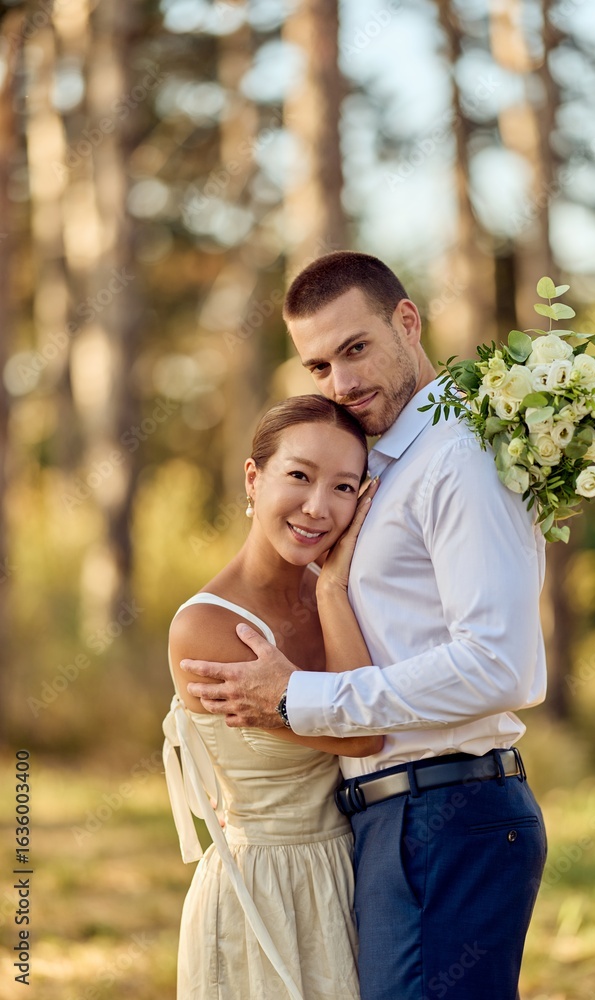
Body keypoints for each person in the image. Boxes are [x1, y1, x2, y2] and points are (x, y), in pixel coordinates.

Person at [184, 251, 549, 1000]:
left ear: (406, 322)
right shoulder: (382, 464)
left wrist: (301, 698)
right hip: (396, 820)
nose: (341, 383)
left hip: (446, 811)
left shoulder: (458, 457)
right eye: (318, 366)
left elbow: (499, 664)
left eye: (355, 349)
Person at [162, 393, 383, 1000]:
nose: (318, 507)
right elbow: (363, 731)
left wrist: (331, 588)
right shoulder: (205, 625)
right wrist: (333, 589)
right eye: (299, 476)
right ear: (253, 479)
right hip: (260, 889)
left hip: (348, 874)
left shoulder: (340, 594)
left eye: (344, 487)